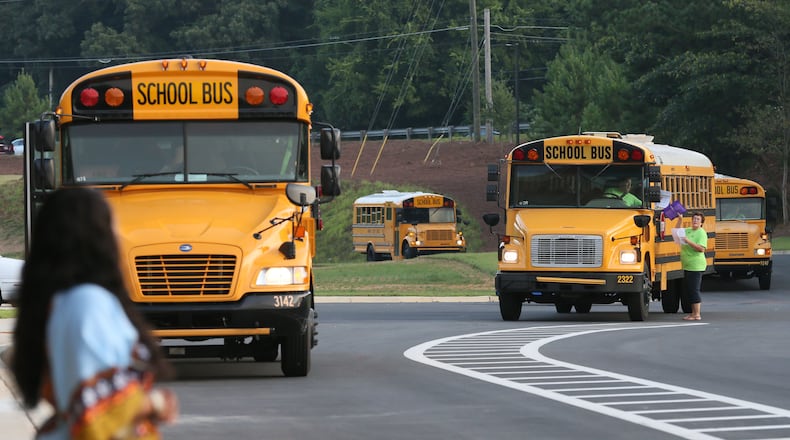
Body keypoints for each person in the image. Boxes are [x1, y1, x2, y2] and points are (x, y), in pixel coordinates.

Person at [11, 187, 178, 439]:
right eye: (111, 225)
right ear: (95, 236)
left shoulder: (66, 303)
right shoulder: (87, 303)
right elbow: (94, 406)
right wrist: (154, 403)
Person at [675, 211, 708, 321]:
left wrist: (688, 241)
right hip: (687, 264)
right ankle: (693, 313)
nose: (695, 221)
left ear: (701, 223)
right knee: (689, 289)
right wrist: (680, 220)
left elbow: (701, 249)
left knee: (694, 289)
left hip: (696, 265)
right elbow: (677, 233)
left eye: (698, 219)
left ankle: (697, 314)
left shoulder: (701, 233)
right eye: (694, 219)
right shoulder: (688, 230)